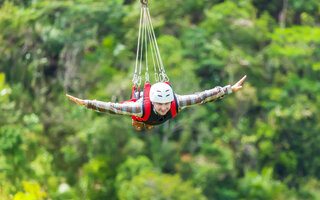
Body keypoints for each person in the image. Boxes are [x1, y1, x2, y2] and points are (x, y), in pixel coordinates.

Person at [66, 75, 247, 131]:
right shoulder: (138, 107)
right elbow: (113, 108)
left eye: (166, 104)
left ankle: (146, 124)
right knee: (139, 122)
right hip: (142, 115)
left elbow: (203, 96)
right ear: (152, 102)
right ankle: (141, 122)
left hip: (150, 119)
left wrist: (228, 89)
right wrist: (86, 103)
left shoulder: (177, 102)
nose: (163, 107)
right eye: (159, 105)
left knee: (151, 121)